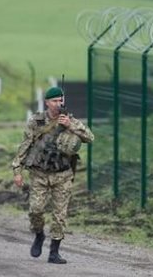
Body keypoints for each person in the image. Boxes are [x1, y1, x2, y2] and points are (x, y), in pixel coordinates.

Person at [12, 86, 94, 264]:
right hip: (39, 173)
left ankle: (54, 252)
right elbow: (25, 145)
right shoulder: (37, 121)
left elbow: (90, 137)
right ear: (47, 102)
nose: (58, 104)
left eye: (60, 100)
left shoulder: (69, 120)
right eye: (55, 101)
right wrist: (17, 171)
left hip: (62, 175)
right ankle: (39, 235)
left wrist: (69, 126)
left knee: (59, 215)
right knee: (36, 210)